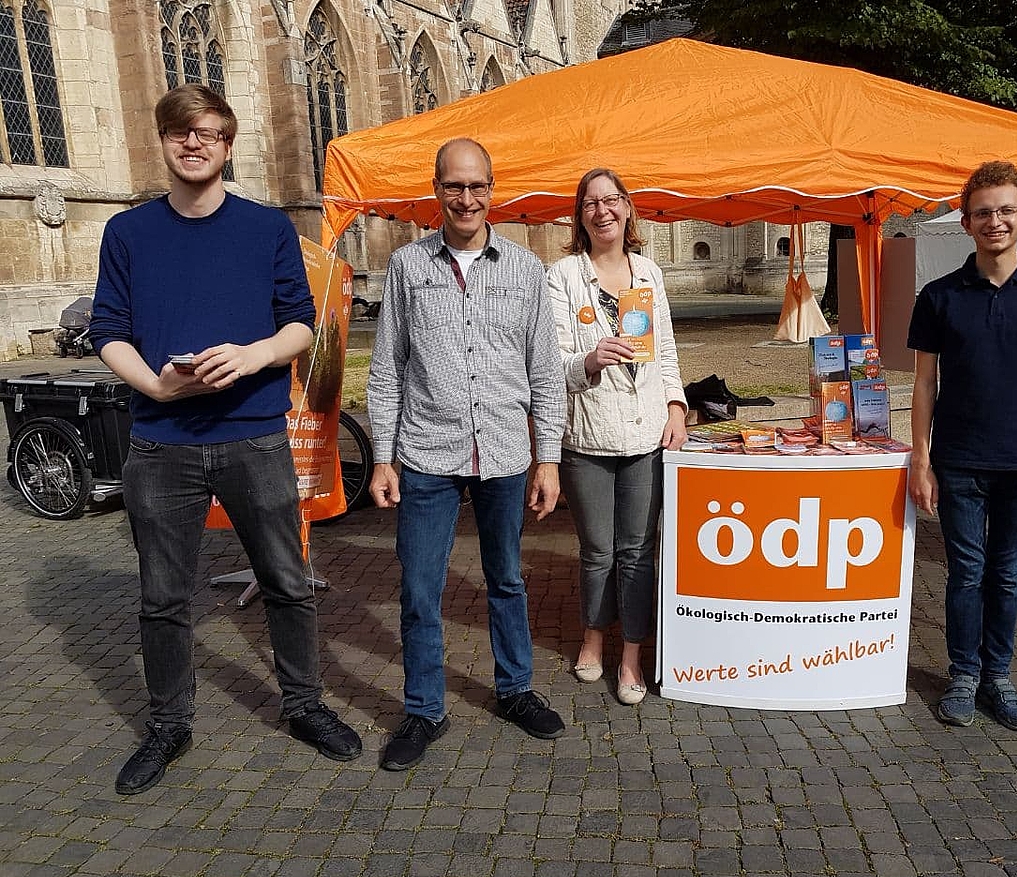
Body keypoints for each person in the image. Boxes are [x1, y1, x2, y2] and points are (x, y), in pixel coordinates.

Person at [91, 84, 361, 795]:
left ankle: (304, 706)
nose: (194, 143)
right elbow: (108, 331)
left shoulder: (266, 229)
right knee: (162, 596)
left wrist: (253, 355)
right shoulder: (128, 233)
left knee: (286, 582)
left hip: (254, 437)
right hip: (161, 442)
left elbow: (302, 324)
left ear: (228, 144)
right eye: (181, 132)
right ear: (165, 141)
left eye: (208, 132)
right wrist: (152, 387)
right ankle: (167, 726)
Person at [367, 137, 568, 770]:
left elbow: (543, 370)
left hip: (506, 454)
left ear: (492, 190)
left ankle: (515, 689)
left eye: (477, 185)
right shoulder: (407, 268)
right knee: (420, 588)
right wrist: (381, 456)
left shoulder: (525, 270)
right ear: (437, 190)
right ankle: (424, 709)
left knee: (506, 578)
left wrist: (549, 458)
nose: (466, 197)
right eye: (454, 186)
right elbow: (387, 369)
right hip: (426, 452)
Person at [907, 160, 1017, 733]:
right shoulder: (938, 297)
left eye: (1007, 210)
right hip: (958, 461)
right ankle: (962, 674)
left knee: (1007, 576)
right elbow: (924, 383)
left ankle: (997, 678)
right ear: (966, 222)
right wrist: (921, 459)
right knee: (965, 575)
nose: (995, 221)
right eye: (983, 212)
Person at [546, 168, 688, 705]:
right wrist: (588, 360)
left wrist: (676, 405)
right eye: (590, 203)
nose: (602, 211)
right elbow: (550, 361)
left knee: (638, 552)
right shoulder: (561, 277)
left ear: (627, 209)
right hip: (587, 436)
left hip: (645, 435)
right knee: (597, 551)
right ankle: (592, 639)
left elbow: (668, 351)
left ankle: (631, 656)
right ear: (579, 215)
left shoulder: (648, 273)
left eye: (611, 201)